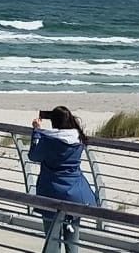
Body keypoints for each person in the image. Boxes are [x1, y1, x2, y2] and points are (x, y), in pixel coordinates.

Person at [30, 107, 99, 253]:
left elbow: (34, 156)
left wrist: (36, 131)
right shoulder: (78, 138)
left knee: (52, 240)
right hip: (75, 192)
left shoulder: (49, 139)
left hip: (51, 191)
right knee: (72, 240)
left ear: (53, 121)